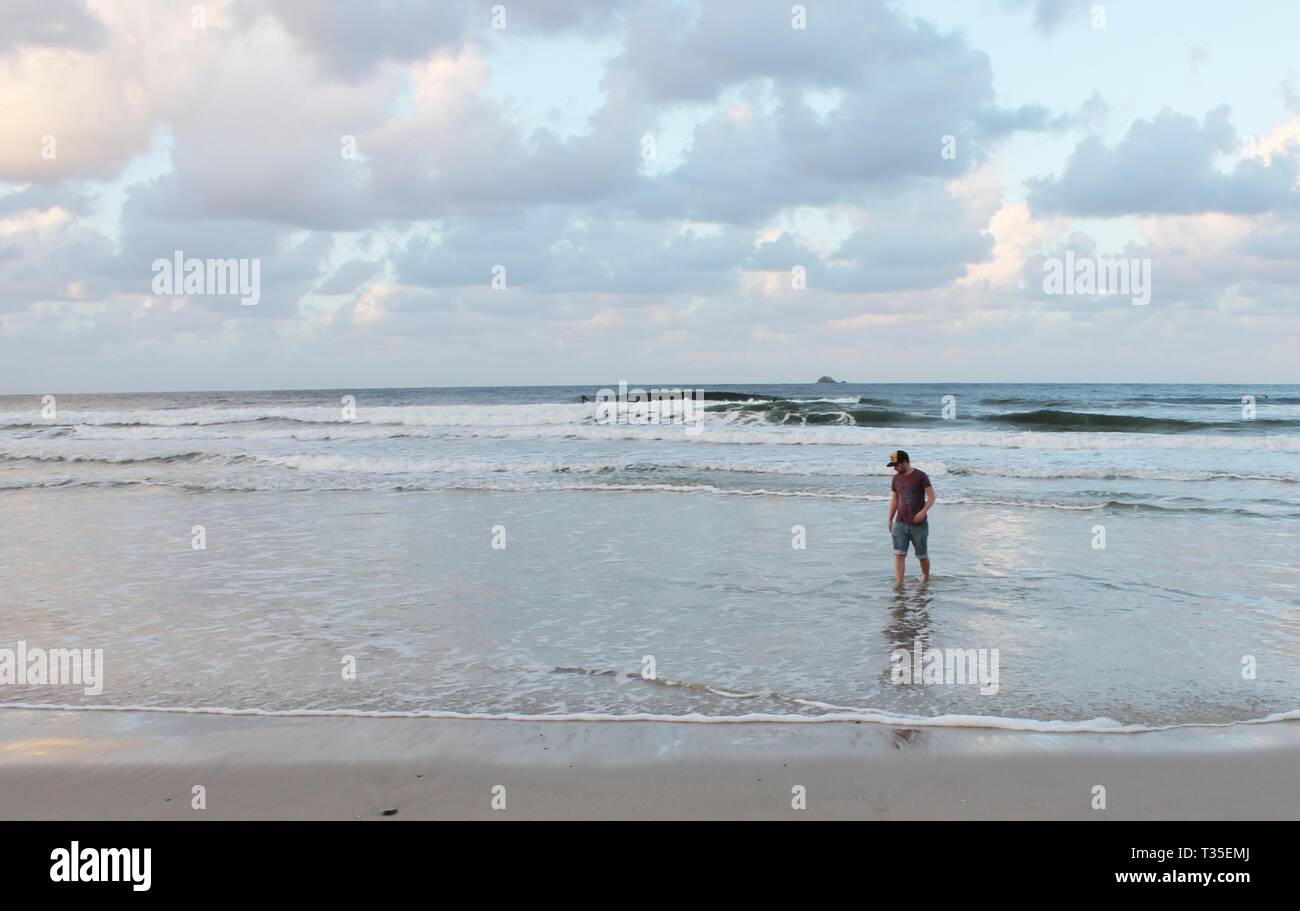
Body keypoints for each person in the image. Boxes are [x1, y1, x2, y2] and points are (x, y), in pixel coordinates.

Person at [886, 450, 935, 584]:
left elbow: (931, 497)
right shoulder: (896, 478)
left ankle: (925, 579)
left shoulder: (921, 476)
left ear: (905, 462)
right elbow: (895, 499)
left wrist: (923, 511)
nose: (895, 468)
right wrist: (890, 519)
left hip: (918, 525)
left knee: (922, 556)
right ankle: (899, 584)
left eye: (896, 465)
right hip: (900, 523)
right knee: (899, 555)